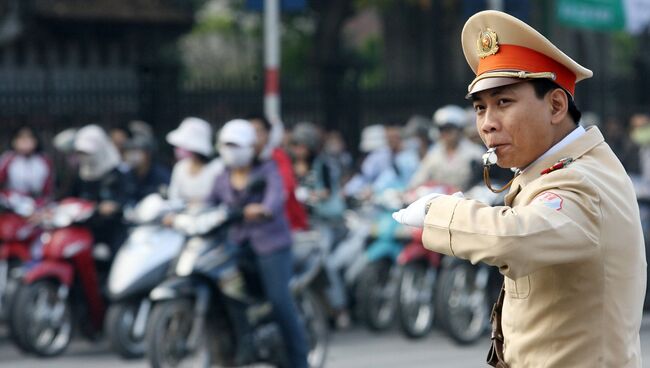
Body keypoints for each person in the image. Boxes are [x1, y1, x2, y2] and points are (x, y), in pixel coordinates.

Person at [393, 10, 645, 368]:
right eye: (480, 108)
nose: (488, 124)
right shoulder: (551, 171)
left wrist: (437, 210)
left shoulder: (581, 181)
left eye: (504, 103)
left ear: (556, 105)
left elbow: (512, 238)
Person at [209, 119, 308, 368]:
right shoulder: (221, 177)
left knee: (279, 300)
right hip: (235, 245)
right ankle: (242, 343)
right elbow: (207, 204)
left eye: (236, 144)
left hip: (271, 244)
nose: (230, 149)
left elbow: (275, 199)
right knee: (224, 288)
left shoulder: (267, 170)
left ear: (250, 147)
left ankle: (299, 360)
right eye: (226, 144)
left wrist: (263, 209)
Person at [68, 125, 136, 254]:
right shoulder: (81, 173)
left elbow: (128, 197)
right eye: (81, 153)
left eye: (88, 153)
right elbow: (72, 196)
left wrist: (114, 205)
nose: (85, 157)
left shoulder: (118, 172)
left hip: (112, 228)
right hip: (86, 226)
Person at [249, 114, 309, 231]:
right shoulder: (244, 160)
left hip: (287, 224)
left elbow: (286, 187)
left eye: (257, 131)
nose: (254, 136)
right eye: (249, 132)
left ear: (267, 133)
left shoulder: (277, 156)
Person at [408, 105, 483, 191]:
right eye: (442, 129)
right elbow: (418, 179)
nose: (445, 133)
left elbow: (483, 183)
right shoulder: (434, 153)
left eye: (449, 129)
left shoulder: (476, 153)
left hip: (468, 198)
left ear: (460, 130)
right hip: (440, 199)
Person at [165, 117, 223, 208]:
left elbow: (218, 198)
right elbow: (174, 197)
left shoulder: (217, 167)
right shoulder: (180, 167)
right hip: (183, 217)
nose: (179, 149)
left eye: (184, 145)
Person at [0, 126, 54, 203]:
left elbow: (49, 188)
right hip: (12, 202)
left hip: (38, 202)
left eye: (29, 138)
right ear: (14, 142)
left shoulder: (44, 160)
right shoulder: (7, 159)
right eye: (21, 138)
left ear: (35, 141)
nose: (25, 141)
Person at [123, 129, 171, 202]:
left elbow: (167, 197)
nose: (133, 156)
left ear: (148, 154)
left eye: (137, 151)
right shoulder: (127, 175)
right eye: (130, 151)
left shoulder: (161, 174)